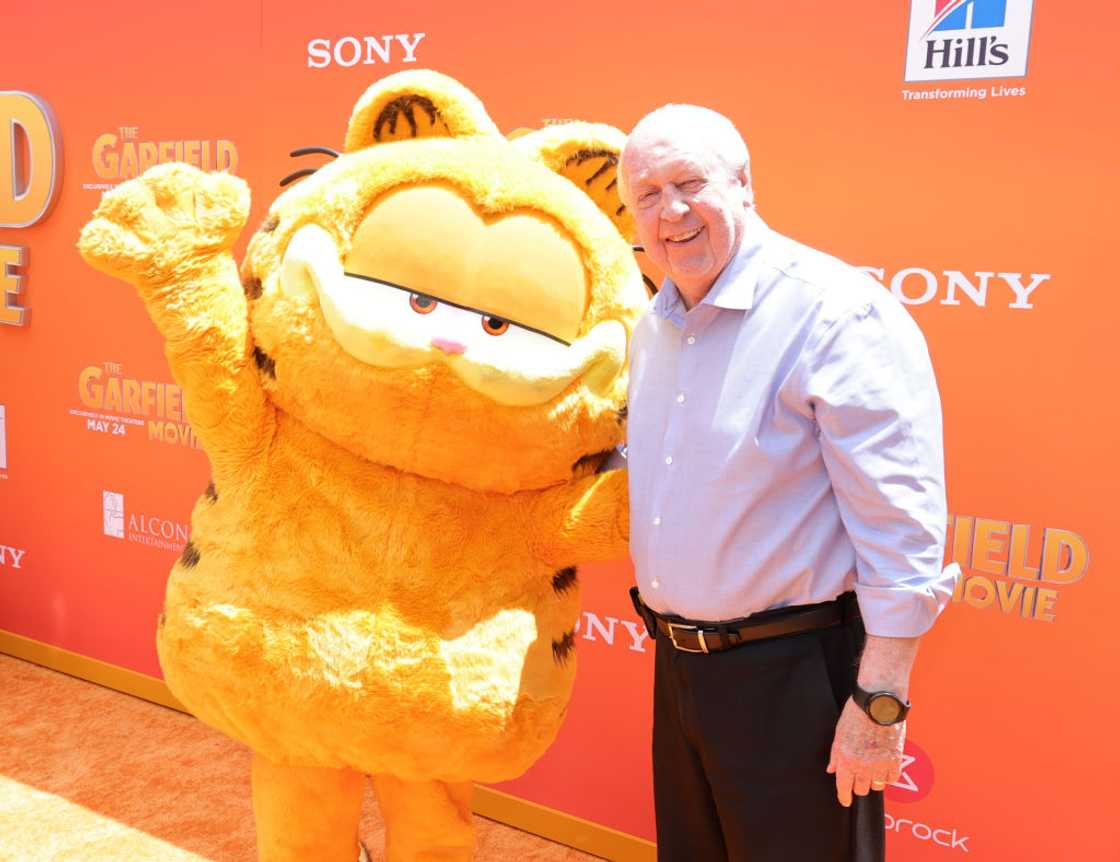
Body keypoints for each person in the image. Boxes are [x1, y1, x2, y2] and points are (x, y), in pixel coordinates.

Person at [617, 104, 959, 862]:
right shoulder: (654, 326)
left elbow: (901, 529)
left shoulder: (834, 313)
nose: (669, 212)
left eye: (689, 183)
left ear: (744, 184)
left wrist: (879, 705)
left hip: (798, 680)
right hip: (679, 673)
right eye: (645, 195)